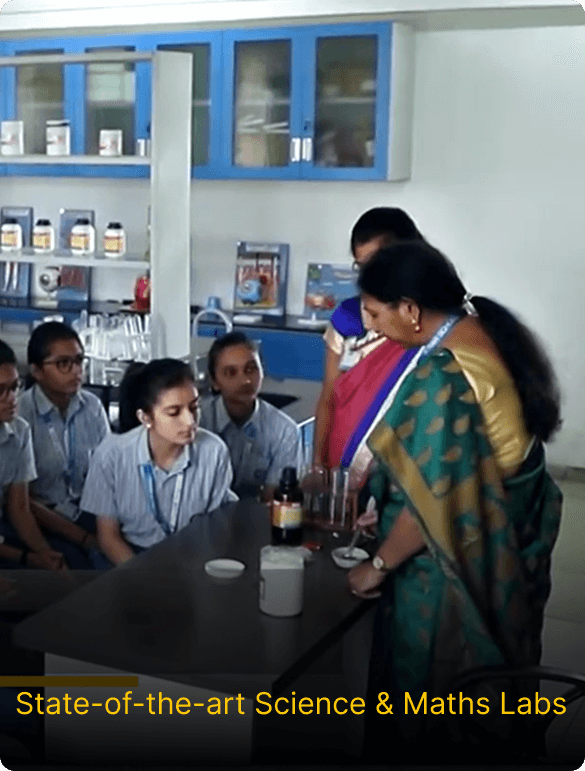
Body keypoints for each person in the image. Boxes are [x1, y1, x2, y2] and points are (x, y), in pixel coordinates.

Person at [347, 242, 562, 760]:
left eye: (375, 312)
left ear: (410, 309)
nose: (370, 326)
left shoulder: (444, 376)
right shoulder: (486, 334)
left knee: (433, 716)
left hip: (450, 576)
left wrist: (378, 565)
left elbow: (435, 505)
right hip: (503, 550)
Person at [80, 359, 237, 566]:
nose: (190, 421)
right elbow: (109, 538)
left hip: (189, 553)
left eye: (194, 407)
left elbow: (212, 532)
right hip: (129, 556)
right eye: (174, 412)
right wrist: (147, 578)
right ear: (146, 418)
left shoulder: (214, 451)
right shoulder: (111, 455)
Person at [313, 207, 425, 469]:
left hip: (397, 473)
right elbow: (329, 397)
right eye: (361, 266)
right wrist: (317, 464)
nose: (369, 276)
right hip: (341, 469)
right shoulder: (348, 319)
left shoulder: (423, 325)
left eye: (376, 263)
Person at [18, 322, 110, 567]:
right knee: (81, 566)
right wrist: (84, 538)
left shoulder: (92, 406)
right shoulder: (22, 415)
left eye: (79, 361)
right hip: (44, 518)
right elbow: (22, 501)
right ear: (36, 370)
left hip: (90, 510)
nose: (76, 371)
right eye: (63, 364)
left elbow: (108, 472)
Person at [199, 332, 302, 499]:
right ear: (214, 381)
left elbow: (276, 500)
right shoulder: (198, 422)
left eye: (250, 369)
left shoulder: (284, 431)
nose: (245, 380)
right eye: (231, 372)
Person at [0, 340, 67, 570]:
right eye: (0, 391)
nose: (11, 398)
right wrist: (25, 558)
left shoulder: (19, 432)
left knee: (62, 568)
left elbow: (19, 508)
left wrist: (45, 554)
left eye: (15, 387)